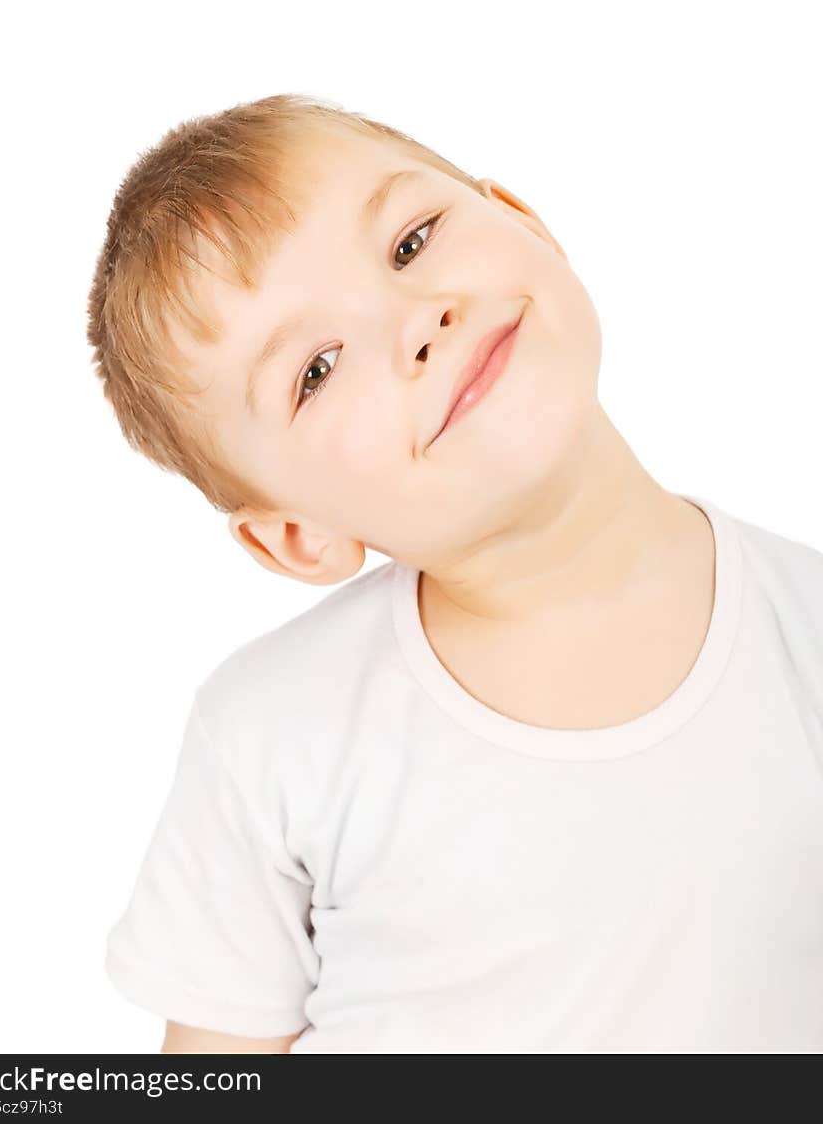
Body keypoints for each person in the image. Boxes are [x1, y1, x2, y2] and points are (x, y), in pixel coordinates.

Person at [88, 93, 823, 1053]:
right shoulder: (273, 737)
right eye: (316, 368)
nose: (417, 320)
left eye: (410, 242)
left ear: (525, 220)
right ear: (298, 536)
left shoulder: (802, 632)